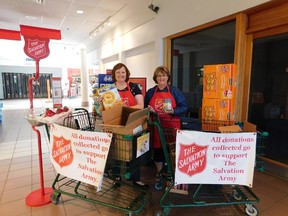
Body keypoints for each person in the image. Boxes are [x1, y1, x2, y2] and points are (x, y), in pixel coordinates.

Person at [101, 63, 149, 189]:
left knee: (134, 152)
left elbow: (141, 105)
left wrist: (124, 109)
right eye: (118, 72)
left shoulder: (133, 87)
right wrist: (101, 103)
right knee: (116, 152)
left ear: (127, 73)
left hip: (132, 125)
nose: (121, 75)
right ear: (114, 75)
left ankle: (136, 178)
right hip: (116, 125)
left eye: (123, 72)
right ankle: (116, 178)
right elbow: (103, 110)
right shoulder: (109, 90)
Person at [144, 66, 188, 189]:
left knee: (173, 150)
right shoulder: (151, 92)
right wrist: (150, 110)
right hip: (157, 126)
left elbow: (184, 106)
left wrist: (173, 111)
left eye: (164, 75)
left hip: (172, 125)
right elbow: (144, 107)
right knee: (158, 150)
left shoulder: (174, 91)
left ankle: (171, 172)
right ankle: (159, 172)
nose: (161, 78)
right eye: (159, 75)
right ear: (155, 78)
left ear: (168, 77)